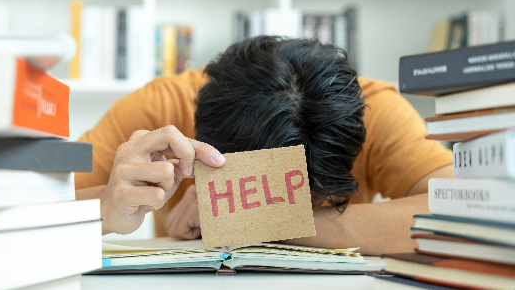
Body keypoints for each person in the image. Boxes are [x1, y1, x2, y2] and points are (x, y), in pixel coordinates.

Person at [75, 36, 453, 255]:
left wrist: (245, 218)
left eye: (312, 201)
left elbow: (464, 214)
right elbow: (25, 209)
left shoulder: (378, 109)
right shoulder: (155, 110)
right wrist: (106, 207)